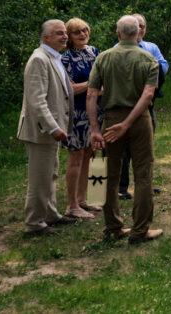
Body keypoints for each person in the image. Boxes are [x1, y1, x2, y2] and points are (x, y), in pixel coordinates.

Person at [87, 15, 162, 243]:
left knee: (103, 171)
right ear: (138, 33)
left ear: (118, 34)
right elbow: (148, 95)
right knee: (143, 174)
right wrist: (128, 122)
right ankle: (140, 231)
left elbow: (91, 94)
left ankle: (112, 226)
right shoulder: (149, 59)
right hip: (139, 120)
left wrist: (94, 129)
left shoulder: (103, 58)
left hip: (110, 119)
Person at [17, 20, 75, 236]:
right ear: (46, 37)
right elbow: (37, 100)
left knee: (50, 174)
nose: (64, 36)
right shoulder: (39, 60)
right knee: (39, 178)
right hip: (41, 130)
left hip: (52, 130)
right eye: (59, 33)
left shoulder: (54, 57)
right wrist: (53, 128)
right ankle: (33, 224)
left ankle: (51, 215)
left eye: (64, 33)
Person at [118, 13, 167, 200]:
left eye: (143, 26)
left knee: (146, 146)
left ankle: (144, 184)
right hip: (126, 104)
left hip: (148, 105)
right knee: (123, 149)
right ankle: (122, 187)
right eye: (136, 25)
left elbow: (163, 66)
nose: (140, 29)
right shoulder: (116, 49)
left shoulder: (152, 47)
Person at [61, 18, 102, 219]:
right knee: (76, 157)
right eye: (77, 32)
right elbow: (69, 89)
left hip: (94, 112)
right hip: (76, 114)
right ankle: (72, 205)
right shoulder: (65, 59)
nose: (83, 34)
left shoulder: (94, 52)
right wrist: (92, 85)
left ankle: (84, 199)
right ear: (69, 36)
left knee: (90, 155)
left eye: (85, 30)